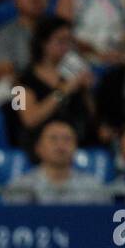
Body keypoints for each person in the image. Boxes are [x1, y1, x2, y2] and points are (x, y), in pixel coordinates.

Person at [12, 17, 98, 149]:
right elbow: (28, 119)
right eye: (61, 41)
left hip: (77, 140)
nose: (67, 47)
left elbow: (92, 116)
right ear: (43, 42)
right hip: (39, 144)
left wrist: (87, 90)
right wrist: (62, 92)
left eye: (70, 42)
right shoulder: (20, 80)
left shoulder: (74, 73)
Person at [8, 118, 106, 202]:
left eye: (67, 139)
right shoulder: (21, 187)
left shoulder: (93, 188)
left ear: (76, 147)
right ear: (38, 148)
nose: (61, 145)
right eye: (53, 139)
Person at [0, 0, 51, 81]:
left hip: (61, 91)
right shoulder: (3, 34)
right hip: (20, 92)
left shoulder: (60, 31)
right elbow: (6, 75)